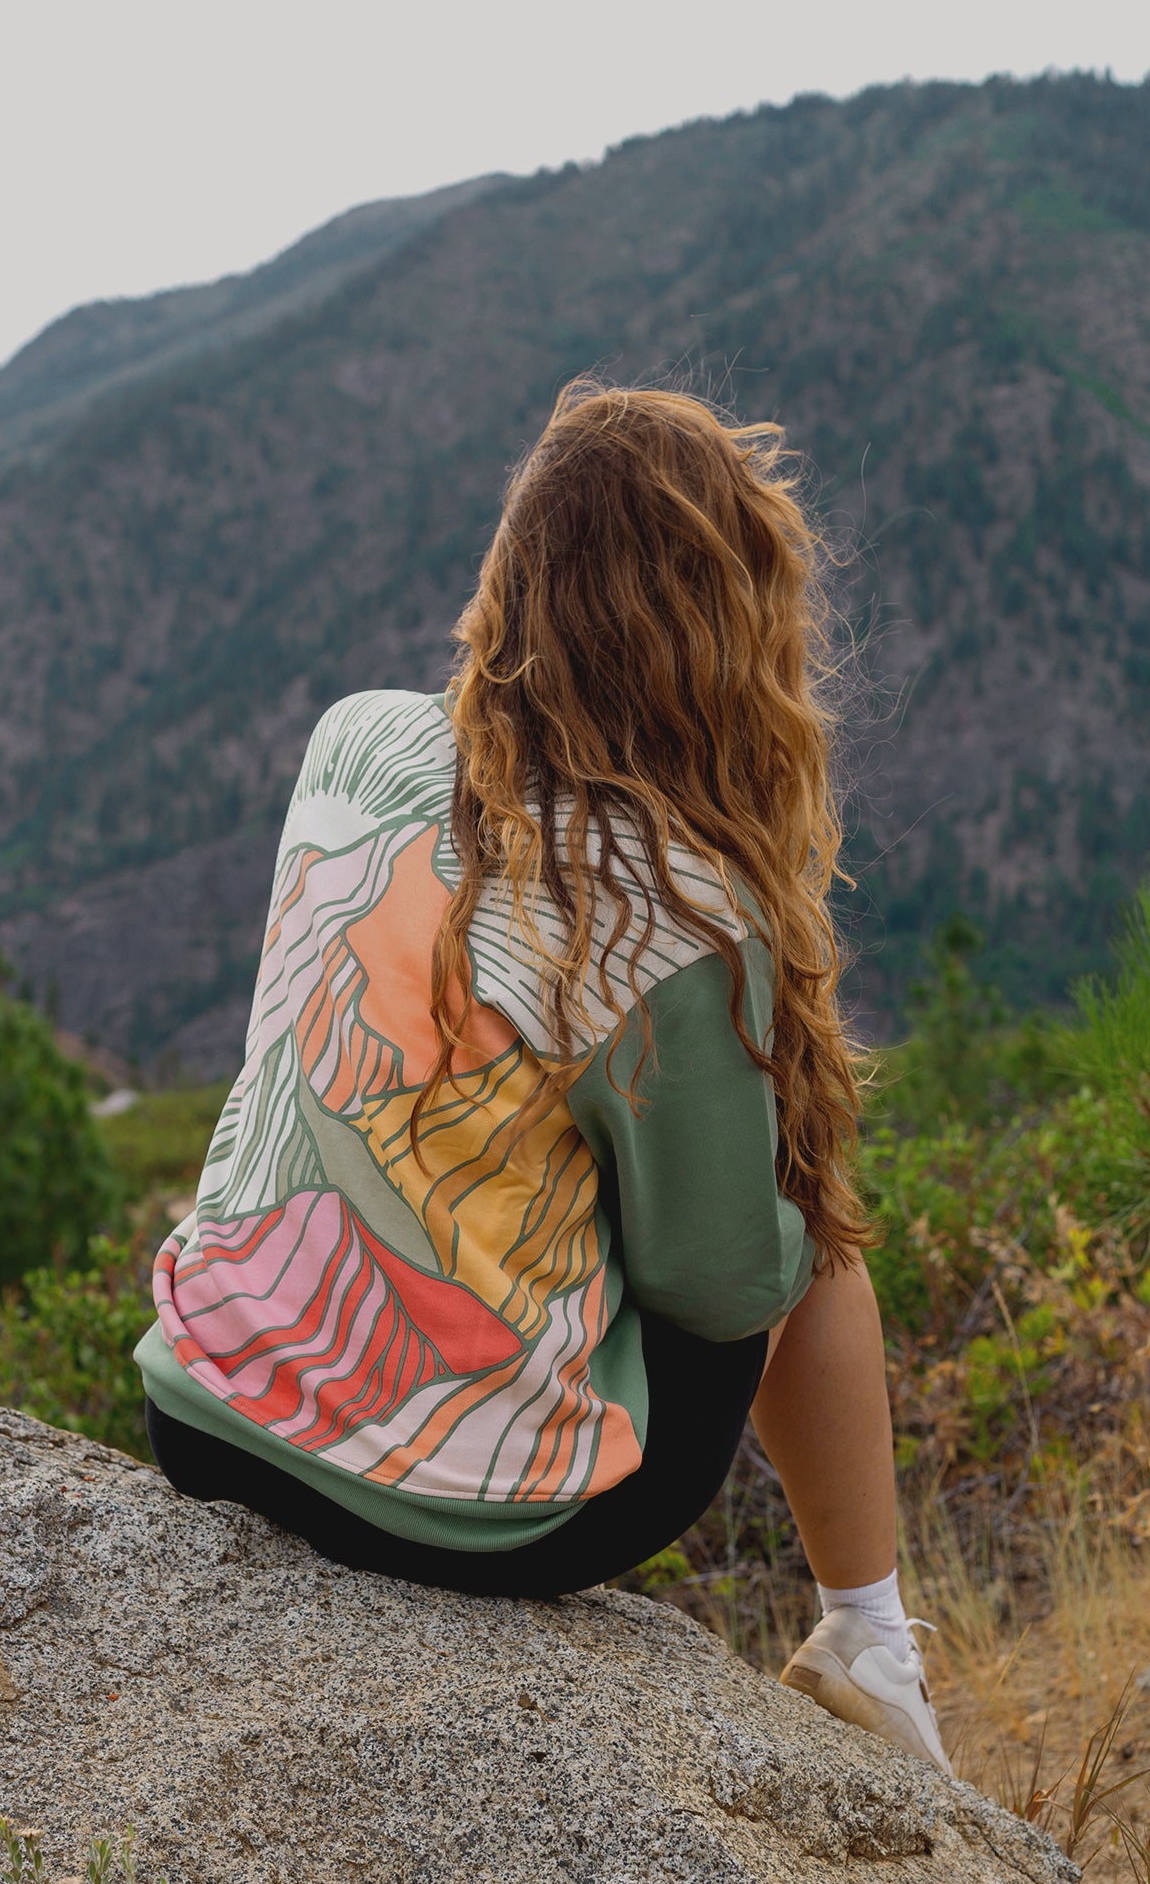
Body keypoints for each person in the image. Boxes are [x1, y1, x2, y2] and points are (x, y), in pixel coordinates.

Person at [135, 381, 951, 1773]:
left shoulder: (353, 739)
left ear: (512, 575)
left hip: (208, 1412)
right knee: (806, 1218)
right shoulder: (676, 905)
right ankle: (871, 1642)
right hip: (467, 1514)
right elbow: (719, 1287)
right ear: (724, 628)